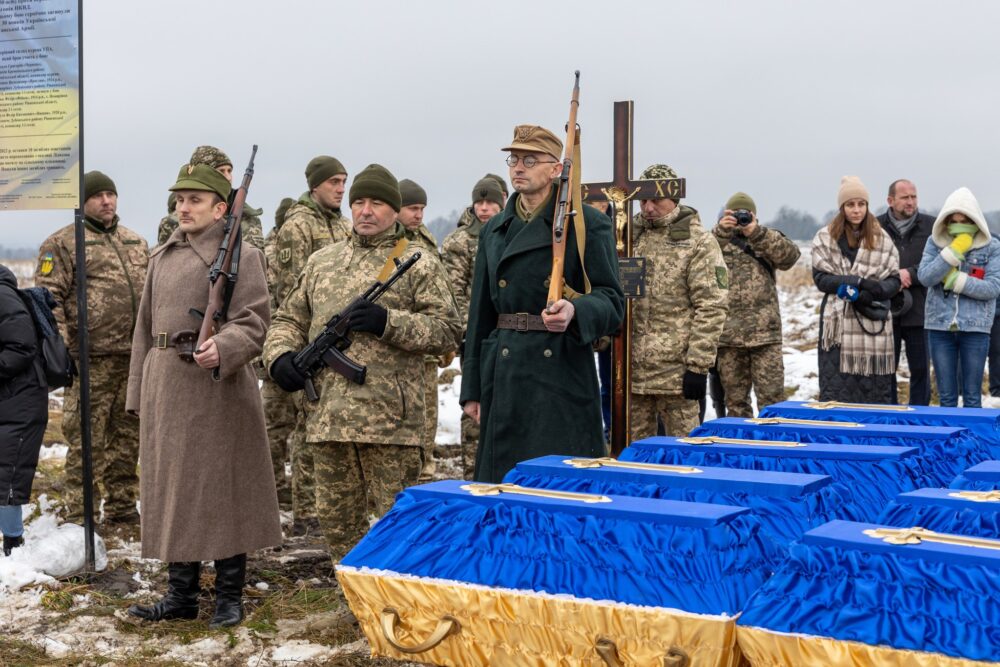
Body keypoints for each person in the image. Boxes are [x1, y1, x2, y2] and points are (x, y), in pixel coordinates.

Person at [264, 163, 461, 562]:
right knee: (339, 528)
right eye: (359, 202)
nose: (366, 211)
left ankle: (397, 607)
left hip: (391, 423)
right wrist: (279, 356)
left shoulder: (417, 263)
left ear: (393, 209)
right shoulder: (323, 262)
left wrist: (389, 322)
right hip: (328, 421)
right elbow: (288, 318)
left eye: (376, 203)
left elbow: (447, 331)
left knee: (398, 529)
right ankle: (352, 603)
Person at [125, 164, 281, 628]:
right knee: (174, 490)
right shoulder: (162, 256)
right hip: (166, 387)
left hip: (218, 389)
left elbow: (255, 321)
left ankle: (229, 596)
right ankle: (181, 595)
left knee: (223, 488)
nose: (183, 208)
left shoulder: (243, 255)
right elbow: (143, 332)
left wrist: (226, 347)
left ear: (220, 208)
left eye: (194, 200)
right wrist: (138, 390)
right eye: (179, 200)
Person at [459, 125, 624, 483]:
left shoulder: (587, 224)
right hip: (504, 373)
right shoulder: (494, 229)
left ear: (555, 169)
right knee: (503, 494)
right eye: (514, 159)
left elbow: (612, 301)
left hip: (561, 371)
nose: (518, 167)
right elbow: (480, 314)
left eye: (530, 159)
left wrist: (576, 311)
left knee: (561, 488)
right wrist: (472, 388)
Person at [35, 171, 148, 528]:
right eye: (98, 196)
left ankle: (122, 507)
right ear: (82, 202)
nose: (107, 201)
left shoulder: (136, 242)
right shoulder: (63, 243)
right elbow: (48, 301)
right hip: (90, 361)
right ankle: (81, 515)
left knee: (128, 438)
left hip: (133, 359)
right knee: (87, 440)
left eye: (111, 194)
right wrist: (66, 351)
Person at [273, 155, 351, 535]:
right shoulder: (298, 226)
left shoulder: (343, 225)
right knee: (307, 429)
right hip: (310, 348)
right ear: (315, 185)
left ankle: (326, 510)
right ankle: (306, 514)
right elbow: (293, 295)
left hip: (339, 342)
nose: (340, 188)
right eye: (333, 181)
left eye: (343, 181)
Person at [630, 164, 729, 438]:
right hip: (632, 374)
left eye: (656, 201)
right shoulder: (627, 238)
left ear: (674, 200)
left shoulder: (699, 243)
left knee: (684, 456)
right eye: (643, 201)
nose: (648, 208)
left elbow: (711, 306)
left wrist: (698, 367)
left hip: (677, 375)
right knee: (634, 457)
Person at [812, 176, 900, 404]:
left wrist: (874, 291)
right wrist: (857, 282)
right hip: (838, 323)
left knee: (874, 392)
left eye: (861, 204)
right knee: (838, 389)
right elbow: (822, 279)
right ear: (842, 207)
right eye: (850, 204)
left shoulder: (882, 239)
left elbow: (894, 280)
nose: (856, 210)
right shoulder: (826, 237)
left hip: (873, 322)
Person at [713, 192, 800, 416]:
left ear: (754, 215)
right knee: (735, 405)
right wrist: (721, 232)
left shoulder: (765, 238)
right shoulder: (716, 242)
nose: (740, 218)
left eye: (745, 214)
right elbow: (697, 257)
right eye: (735, 214)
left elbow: (790, 257)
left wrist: (756, 233)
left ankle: (774, 449)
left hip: (765, 338)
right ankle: (739, 449)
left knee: (772, 404)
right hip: (729, 338)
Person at [918, 187, 1000, 408]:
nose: (958, 226)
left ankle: (972, 440)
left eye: (964, 221)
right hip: (939, 327)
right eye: (953, 221)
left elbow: (993, 287)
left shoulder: (992, 246)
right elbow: (925, 277)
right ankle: (948, 440)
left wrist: (956, 281)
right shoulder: (935, 243)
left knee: (973, 396)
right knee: (946, 397)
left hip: (975, 328)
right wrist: (952, 252)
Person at [397, 178, 447, 482]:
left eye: (422, 209)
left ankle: (425, 470)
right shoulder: (392, 242)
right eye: (412, 208)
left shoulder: (426, 239)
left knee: (428, 417)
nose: (418, 214)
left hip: (428, 343)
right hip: (402, 343)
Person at [0, 264, 48, 557]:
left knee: (7, 473)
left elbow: (21, 346)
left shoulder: (2, 295)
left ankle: (13, 548)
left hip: (20, 399)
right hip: (9, 396)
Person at [877, 179, 935, 405]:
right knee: (885, 370)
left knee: (921, 369)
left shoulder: (931, 226)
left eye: (914, 197)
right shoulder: (875, 227)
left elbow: (939, 263)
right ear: (890, 201)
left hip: (921, 310)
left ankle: (920, 416)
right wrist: (892, 277)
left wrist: (911, 273)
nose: (911, 202)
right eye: (905, 197)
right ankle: (889, 415)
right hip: (884, 310)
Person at [157, 146, 265, 250]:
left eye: (229, 171)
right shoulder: (175, 221)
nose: (228, 177)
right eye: (221, 171)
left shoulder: (248, 218)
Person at [261, 197, 297, 508]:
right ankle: (274, 487)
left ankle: (278, 487)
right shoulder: (269, 255)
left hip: (283, 350)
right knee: (275, 426)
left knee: (280, 426)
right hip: (276, 351)